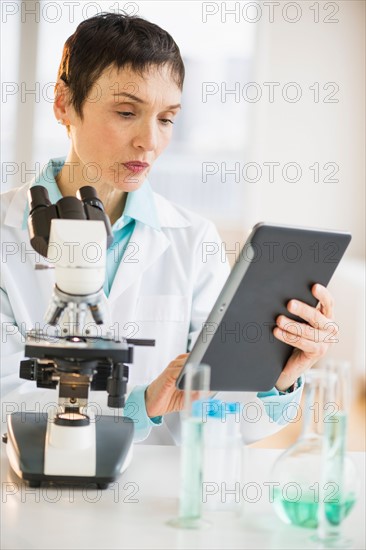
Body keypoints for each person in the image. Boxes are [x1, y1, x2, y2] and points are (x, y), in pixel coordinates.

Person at [0, 13, 336, 445]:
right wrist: (140, 405)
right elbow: (7, 400)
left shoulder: (192, 239)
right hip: (29, 492)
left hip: (155, 502)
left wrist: (277, 379)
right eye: (126, 111)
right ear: (64, 103)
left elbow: (230, 421)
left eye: (166, 119)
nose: (149, 141)